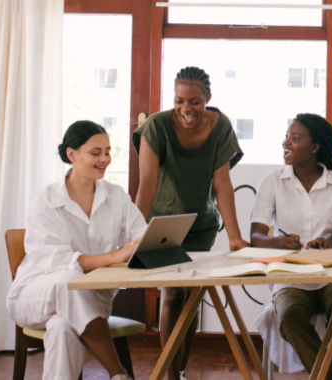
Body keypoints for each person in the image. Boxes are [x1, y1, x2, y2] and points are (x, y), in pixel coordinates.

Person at [132, 66, 249, 380]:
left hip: (200, 226)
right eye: (179, 101)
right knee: (172, 293)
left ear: (208, 98)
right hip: (162, 224)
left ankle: (180, 371)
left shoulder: (221, 126)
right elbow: (147, 186)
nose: (186, 109)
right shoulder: (156, 127)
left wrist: (235, 238)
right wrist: (133, 236)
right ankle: (171, 375)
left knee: (192, 295)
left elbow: (222, 185)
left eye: (195, 101)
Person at [6, 121, 146, 380]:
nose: (104, 159)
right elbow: (55, 261)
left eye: (107, 151)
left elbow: (142, 236)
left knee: (61, 328)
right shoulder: (46, 200)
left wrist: (145, 246)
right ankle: (118, 372)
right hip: (35, 295)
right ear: (72, 154)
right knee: (68, 281)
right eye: (96, 152)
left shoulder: (116, 196)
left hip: (91, 301)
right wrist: (114, 256)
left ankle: (119, 376)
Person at [251, 113, 332, 380]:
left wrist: (328, 242)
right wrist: (277, 242)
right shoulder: (273, 182)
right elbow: (256, 237)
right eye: (287, 136)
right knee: (289, 319)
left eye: (295, 138)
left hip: (331, 274)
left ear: (315, 148)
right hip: (290, 278)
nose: (286, 142)